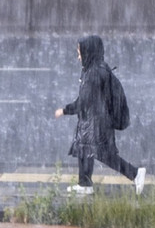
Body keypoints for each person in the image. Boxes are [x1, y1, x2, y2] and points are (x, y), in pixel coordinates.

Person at [54, 35, 145, 195]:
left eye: (80, 52)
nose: (78, 56)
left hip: (96, 124)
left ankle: (135, 173)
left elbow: (83, 101)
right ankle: (85, 184)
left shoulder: (94, 73)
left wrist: (65, 110)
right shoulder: (96, 68)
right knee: (84, 150)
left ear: (88, 52)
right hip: (93, 122)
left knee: (105, 155)